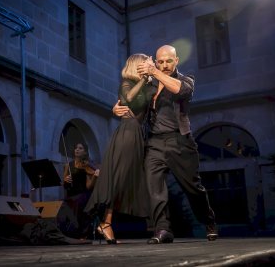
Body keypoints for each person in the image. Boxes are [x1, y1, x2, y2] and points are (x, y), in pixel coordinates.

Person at [113, 45, 218, 243]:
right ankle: (162, 230)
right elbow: (132, 103)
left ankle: (209, 221)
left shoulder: (186, 79)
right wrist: (117, 109)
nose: (164, 64)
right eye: (160, 61)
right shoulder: (149, 85)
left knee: (193, 188)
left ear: (176, 60)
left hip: (180, 141)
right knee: (154, 187)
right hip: (154, 142)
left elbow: (180, 91)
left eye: (168, 61)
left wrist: (154, 72)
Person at [84, 53, 151, 244]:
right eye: (145, 64)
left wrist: (148, 78)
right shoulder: (127, 83)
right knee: (119, 178)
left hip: (137, 133)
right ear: (137, 66)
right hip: (128, 132)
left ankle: (106, 222)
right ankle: (105, 222)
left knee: (129, 179)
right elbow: (129, 98)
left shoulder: (146, 85)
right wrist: (145, 79)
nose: (147, 66)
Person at [59, 142, 100, 239]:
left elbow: (89, 186)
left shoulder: (87, 166)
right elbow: (64, 184)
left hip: (82, 194)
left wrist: (94, 176)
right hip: (70, 195)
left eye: (80, 148)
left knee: (79, 202)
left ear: (85, 152)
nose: (77, 150)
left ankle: (82, 233)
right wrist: (64, 180)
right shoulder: (68, 165)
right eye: (76, 148)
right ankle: (67, 232)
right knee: (62, 206)